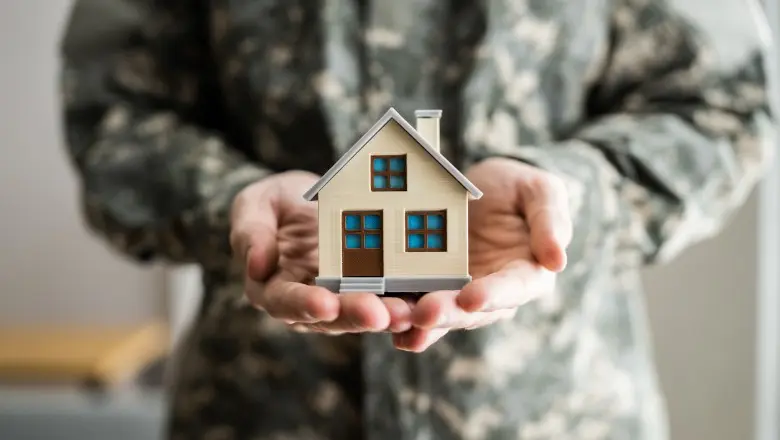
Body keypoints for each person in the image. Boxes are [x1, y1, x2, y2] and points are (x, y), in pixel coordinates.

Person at [58, 0, 775, 438]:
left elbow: (726, 104)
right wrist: (232, 202)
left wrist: (574, 193)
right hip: (261, 410)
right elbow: (116, 116)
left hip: (555, 413)